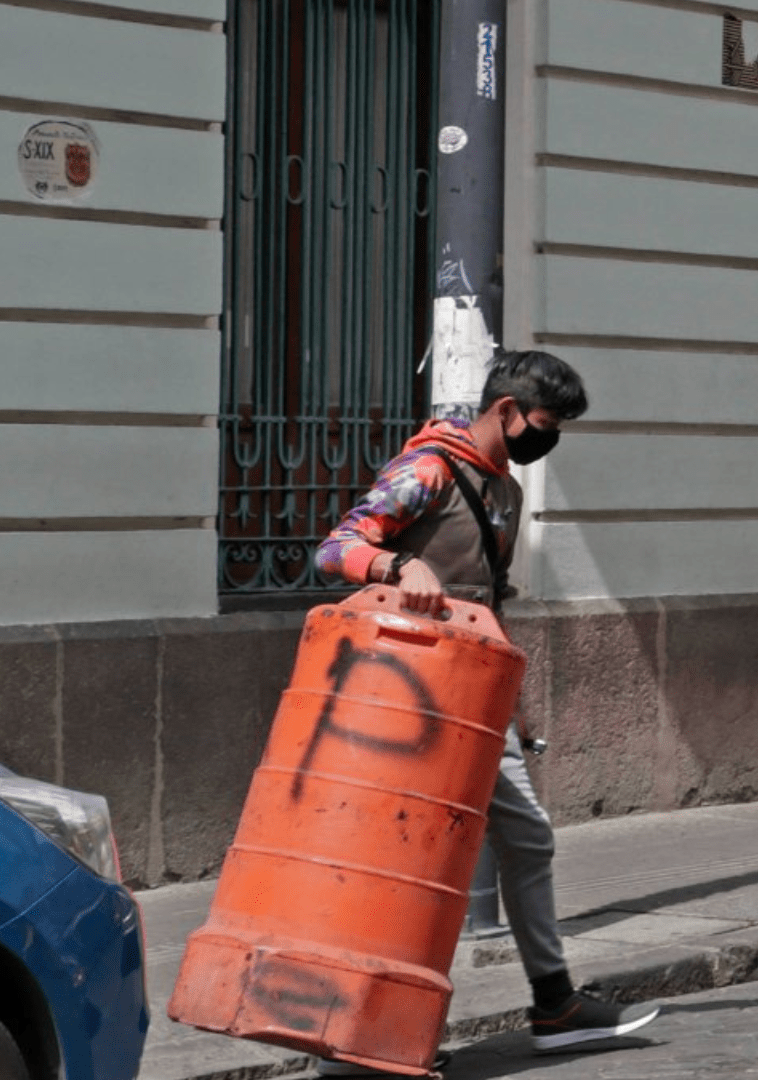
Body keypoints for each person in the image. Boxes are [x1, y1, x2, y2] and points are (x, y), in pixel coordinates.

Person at [314, 350, 659, 1074]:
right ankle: (366, 1043)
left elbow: (490, 605)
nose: (547, 437)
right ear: (505, 411)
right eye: (543, 423)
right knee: (405, 863)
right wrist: (395, 565)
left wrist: (517, 705)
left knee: (527, 837)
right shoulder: (426, 472)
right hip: (403, 701)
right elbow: (337, 547)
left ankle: (554, 1005)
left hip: (474, 695)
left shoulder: (506, 493)